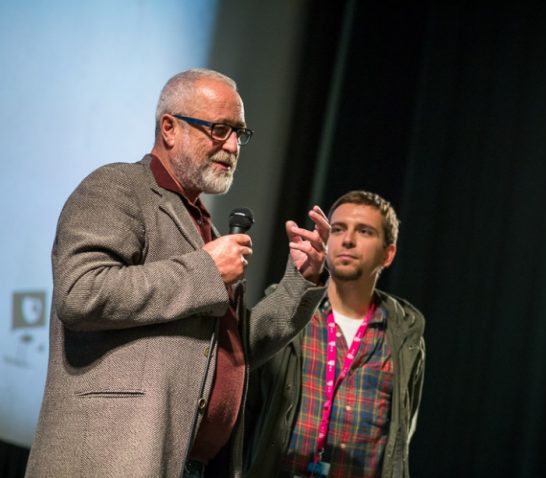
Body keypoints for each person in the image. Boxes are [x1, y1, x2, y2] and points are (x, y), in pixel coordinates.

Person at [25, 68, 329, 478]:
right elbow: (80, 293)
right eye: (220, 129)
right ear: (169, 127)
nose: (234, 146)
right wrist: (206, 268)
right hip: (111, 460)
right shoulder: (116, 187)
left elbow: (232, 348)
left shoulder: (203, 224)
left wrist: (301, 280)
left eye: (240, 133)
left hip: (189, 465)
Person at [244, 191, 426, 478]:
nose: (348, 240)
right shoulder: (288, 316)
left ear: (388, 254)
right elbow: (244, 410)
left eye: (364, 231)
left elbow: (400, 434)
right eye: (338, 229)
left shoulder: (404, 335)